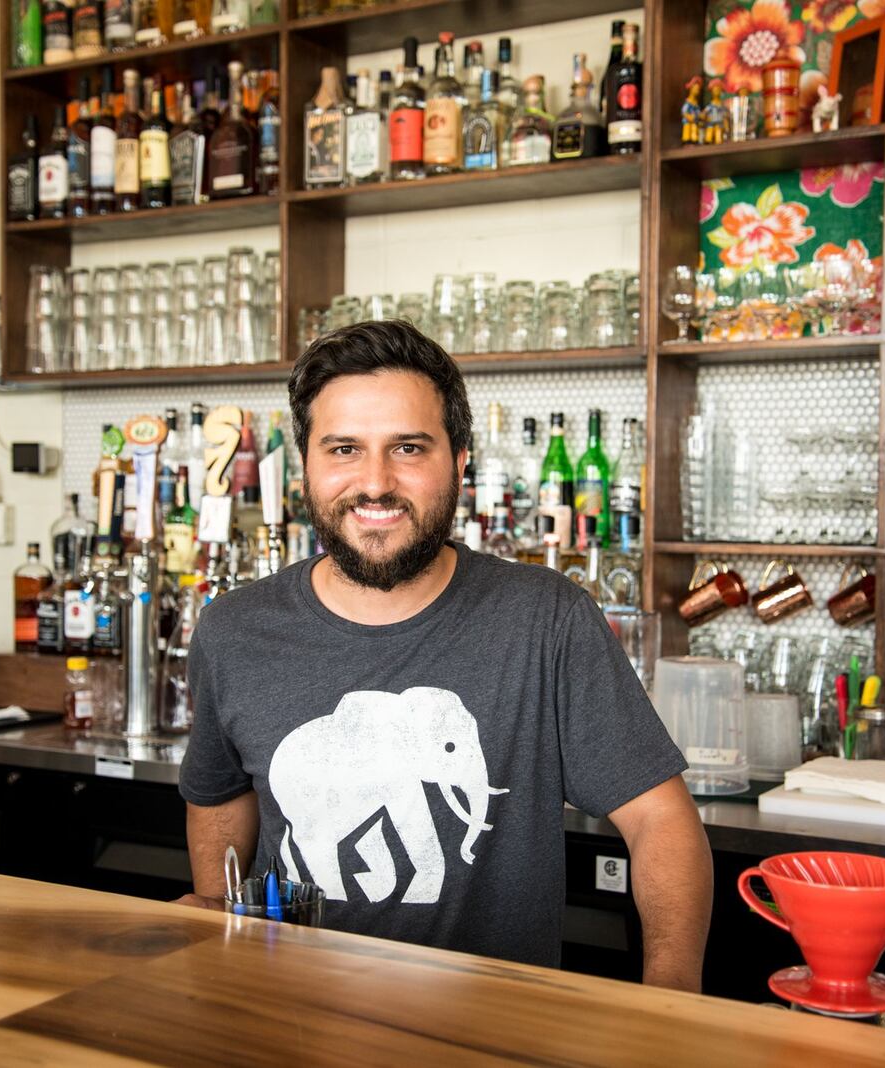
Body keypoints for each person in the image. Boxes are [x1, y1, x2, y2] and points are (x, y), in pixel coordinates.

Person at [177, 320, 712, 991]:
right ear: (306, 465)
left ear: (460, 461)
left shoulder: (546, 618)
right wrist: (217, 930)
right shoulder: (234, 629)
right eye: (343, 448)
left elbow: (662, 821)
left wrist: (672, 1003)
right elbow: (219, 797)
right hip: (291, 1020)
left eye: (407, 447)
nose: (374, 483)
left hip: (494, 1035)